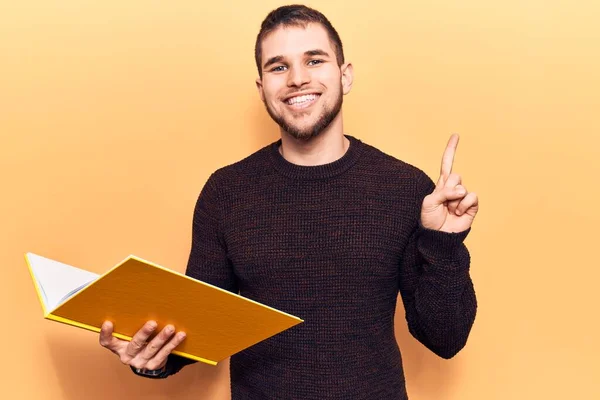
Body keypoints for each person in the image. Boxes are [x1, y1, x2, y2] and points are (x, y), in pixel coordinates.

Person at [99, 4, 478, 399]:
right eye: (278, 67)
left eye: (314, 60)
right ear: (262, 88)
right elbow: (201, 325)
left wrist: (444, 244)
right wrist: (153, 358)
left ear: (345, 76)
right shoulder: (226, 191)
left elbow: (445, 339)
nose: (298, 79)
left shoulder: (405, 187)